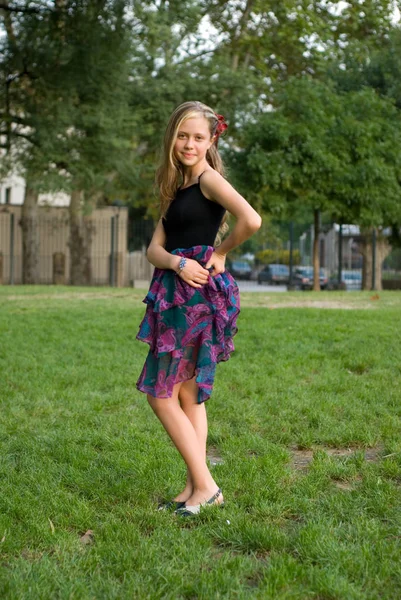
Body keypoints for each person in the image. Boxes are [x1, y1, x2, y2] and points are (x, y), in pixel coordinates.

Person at [136, 100, 261, 516]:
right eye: (183, 136)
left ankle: (206, 486)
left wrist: (220, 253)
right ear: (173, 137)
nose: (190, 144)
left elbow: (251, 219)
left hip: (195, 298)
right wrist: (177, 261)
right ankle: (193, 489)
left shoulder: (209, 180)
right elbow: (154, 249)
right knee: (189, 393)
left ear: (211, 142)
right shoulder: (176, 189)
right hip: (174, 289)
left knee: (161, 393)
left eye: (199, 137)